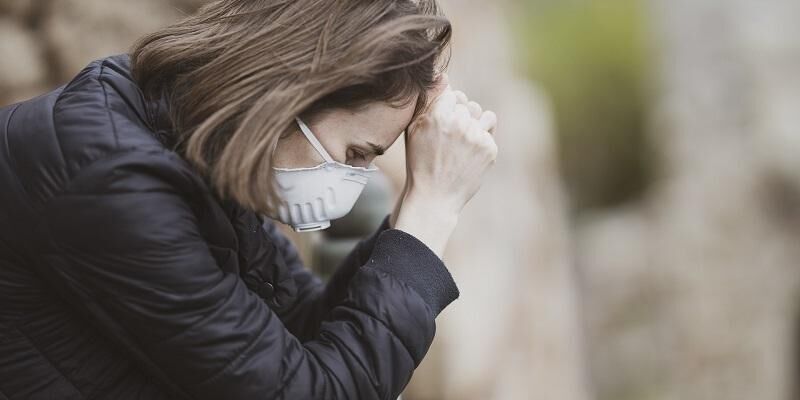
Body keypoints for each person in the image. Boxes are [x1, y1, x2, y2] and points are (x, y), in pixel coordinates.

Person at [0, 0, 498, 399]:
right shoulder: (111, 178)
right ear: (293, 94)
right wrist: (431, 212)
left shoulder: (182, 143)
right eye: (355, 153)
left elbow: (302, 332)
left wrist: (408, 218)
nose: (354, 178)